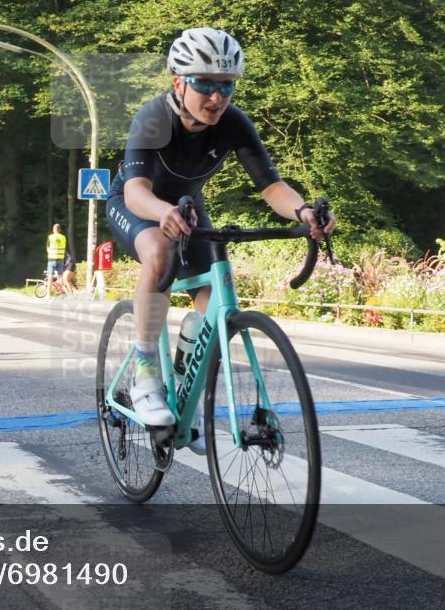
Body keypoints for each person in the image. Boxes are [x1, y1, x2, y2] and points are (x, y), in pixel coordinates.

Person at [106, 27, 335, 450]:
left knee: (212, 288)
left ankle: (182, 391)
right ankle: (145, 373)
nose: (216, 97)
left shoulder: (232, 122)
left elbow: (271, 187)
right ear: (179, 81)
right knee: (157, 249)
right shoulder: (154, 118)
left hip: (187, 206)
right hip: (138, 202)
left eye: (226, 86)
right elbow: (138, 190)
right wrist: (163, 212)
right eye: (204, 84)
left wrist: (303, 211)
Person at [45, 223, 67, 287]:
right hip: (60, 259)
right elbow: (64, 247)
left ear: (53, 229)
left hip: (51, 259)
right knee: (60, 276)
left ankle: (48, 294)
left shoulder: (50, 237)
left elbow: (47, 248)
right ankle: (60, 292)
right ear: (60, 230)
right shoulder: (63, 237)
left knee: (50, 276)